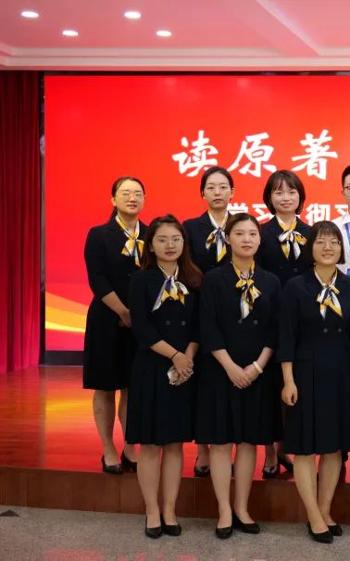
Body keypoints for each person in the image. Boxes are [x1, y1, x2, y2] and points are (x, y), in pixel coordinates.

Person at [196, 213, 282, 539]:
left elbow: (275, 330)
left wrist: (257, 367)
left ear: (260, 240)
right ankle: (223, 510)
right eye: (240, 233)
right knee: (220, 443)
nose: (247, 239)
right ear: (228, 239)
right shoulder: (213, 279)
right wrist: (230, 367)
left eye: (252, 234)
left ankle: (242, 508)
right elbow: (208, 326)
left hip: (258, 373)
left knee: (248, 442)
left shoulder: (271, 281)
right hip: (220, 371)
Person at [278, 221, 350, 543]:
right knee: (303, 448)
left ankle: (325, 510)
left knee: (333, 447)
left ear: (341, 249)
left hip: (341, 374)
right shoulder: (295, 287)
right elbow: (286, 336)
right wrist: (288, 380)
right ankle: (313, 515)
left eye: (334, 242)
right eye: (321, 242)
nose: (328, 248)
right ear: (310, 248)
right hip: (304, 373)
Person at [125, 215, 202, 539]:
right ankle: (151, 510)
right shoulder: (140, 280)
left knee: (174, 445)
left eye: (176, 239)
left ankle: (170, 509)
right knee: (150, 445)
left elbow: (199, 326)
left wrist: (187, 359)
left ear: (184, 243)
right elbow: (142, 328)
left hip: (184, 371)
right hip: (151, 368)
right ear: (151, 246)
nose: (170, 245)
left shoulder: (194, 278)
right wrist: (175, 356)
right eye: (162, 240)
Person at [83, 176, 147, 475]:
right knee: (106, 386)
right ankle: (108, 448)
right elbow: (97, 279)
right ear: (113, 199)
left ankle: (131, 447)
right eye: (125, 193)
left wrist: (138, 316)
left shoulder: (152, 234)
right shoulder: (99, 235)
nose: (132, 198)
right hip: (106, 319)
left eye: (137, 193)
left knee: (134, 386)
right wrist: (123, 311)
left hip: (142, 323)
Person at [258, 169, 312, 477]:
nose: (286, 197)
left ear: (300, 197)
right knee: (269, 388)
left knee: (294, 385)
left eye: (291, 191)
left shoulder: (311, 233)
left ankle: (287, 447)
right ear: (269, 198)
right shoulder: (259, 233)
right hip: (267, 319)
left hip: (303, 322)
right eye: (278, 192)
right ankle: (269, 451)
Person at [183, 165, 235, 477]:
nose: (217, 192)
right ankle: (203, 449)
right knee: (203, 385)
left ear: (232, 192)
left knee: (229, 385)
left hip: (235, 314)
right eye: (211, 187)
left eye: (223, 187)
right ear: (203, 193)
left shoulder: (241, 226)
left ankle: (226, 446)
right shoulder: (191, 228)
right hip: (200, 310)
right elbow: (185, 266)